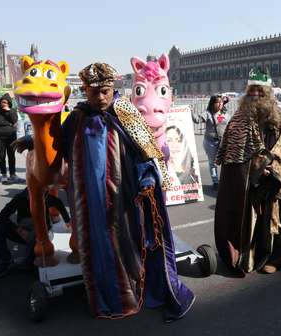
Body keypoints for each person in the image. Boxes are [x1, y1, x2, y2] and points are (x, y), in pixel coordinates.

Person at [60, 63, 194, 320]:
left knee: (125, 243)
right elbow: (60, 141)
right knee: (95, 246)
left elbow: (146, 154)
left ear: (113, 90)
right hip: (88, 199)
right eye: (93, 92)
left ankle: (130, 292)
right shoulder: (77, 117)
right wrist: (33, 140)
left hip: (121, 197)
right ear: (85, 91)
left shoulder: (126, 113)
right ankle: (102, 296)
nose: (100, 98)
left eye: (106, 91)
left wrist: (147, 180)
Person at [214, 69, 281, 275]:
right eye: (253, 91)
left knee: (276, 216)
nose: (257, 95)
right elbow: (233, 156)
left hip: (276, 178)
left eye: (261, 91)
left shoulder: (280, 117)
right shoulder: (238, 119)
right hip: (250, 181)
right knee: (249, 219)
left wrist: (276, 169)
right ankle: (248, 254)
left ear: (268, 93)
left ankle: (276, 257)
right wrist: (255, 170)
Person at [0, 187, 70, 278]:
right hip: (24, 231)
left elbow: (59, 204)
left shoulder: (47, 197)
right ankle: (5, 262)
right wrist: (18, 230)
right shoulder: (20, 198)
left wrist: (68, 221)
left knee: (37, 233)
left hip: (43, 234)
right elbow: (1, 217)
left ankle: (28, 262)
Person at [192, 95, 230, 190]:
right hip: (210, 142)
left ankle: (226, 180)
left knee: (227, 162)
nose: (220, 104)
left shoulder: (225, 112)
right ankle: (215, 181)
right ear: (213, 104)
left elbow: (231, 124)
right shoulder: (208, 113)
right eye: (217, 102)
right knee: (212, 163)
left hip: (224, 142)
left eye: (221, 102)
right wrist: (191, 111)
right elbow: (197, 120)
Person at [0, 93, 18, 184]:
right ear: (0, 102)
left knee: (12, 156)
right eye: (3, 102)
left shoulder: (12, 110)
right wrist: (9, 124)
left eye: (6, 102)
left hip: (11, 137)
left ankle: (13, 174)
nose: (4, 104)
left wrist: (9, 111)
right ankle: (4, 174)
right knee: (1, 156)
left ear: (9, 103)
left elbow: (15, 120)